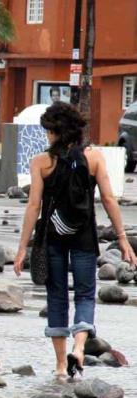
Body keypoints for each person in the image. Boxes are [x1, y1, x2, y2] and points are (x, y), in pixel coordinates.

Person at [14, 102, 137, 377]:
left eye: (48, 131)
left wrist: (23, 247)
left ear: (56, 131)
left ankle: (60, 366)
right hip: (84, 236)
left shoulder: (41, 162)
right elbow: (108, 199)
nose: (46, 135)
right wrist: (122, 239)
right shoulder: (93, 158)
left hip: (52, 237)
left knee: (56, 296)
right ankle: (79, 348)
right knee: (84, 294)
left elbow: (34, 206)